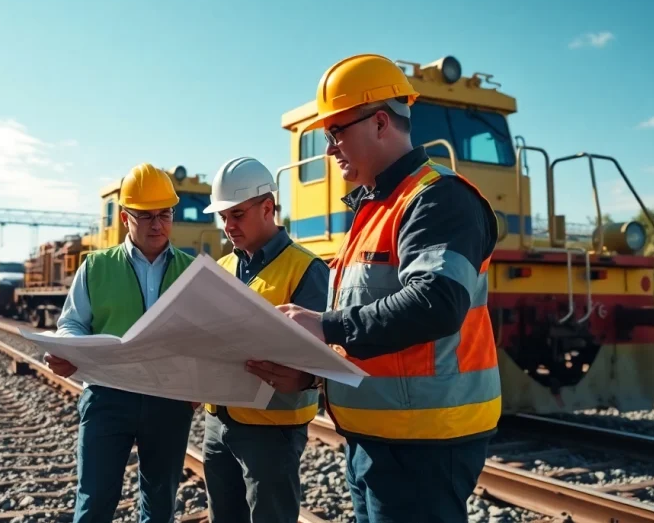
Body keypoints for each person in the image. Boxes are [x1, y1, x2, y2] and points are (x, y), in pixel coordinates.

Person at [275, 54, 502, 523]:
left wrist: (324, 324)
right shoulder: (375, 208)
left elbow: (436, 303)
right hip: (380, 437)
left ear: (380, 122)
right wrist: (316, 372)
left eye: (336, 132)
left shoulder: (438, 199)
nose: (330, 147)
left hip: (424, 442)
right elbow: (373, 329)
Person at [44, 163, 197, 523]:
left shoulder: (192, 271)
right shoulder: (95, 267)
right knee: (95, 500)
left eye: (164, 214)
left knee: (160, 505)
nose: (157, 224)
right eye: (146, 216)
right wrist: (69, 349)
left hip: (169, 401)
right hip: (107, 397)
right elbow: (71, 324)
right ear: (126, 217)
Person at [199, 156, 329, 523]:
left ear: (268, 207)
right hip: (217, 422)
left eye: (237, 214)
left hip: (272, 430)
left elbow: (327, 354)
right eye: (223, 217)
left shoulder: (307, 269)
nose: (228, 226)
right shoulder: (222, 268)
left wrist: (306, 376)